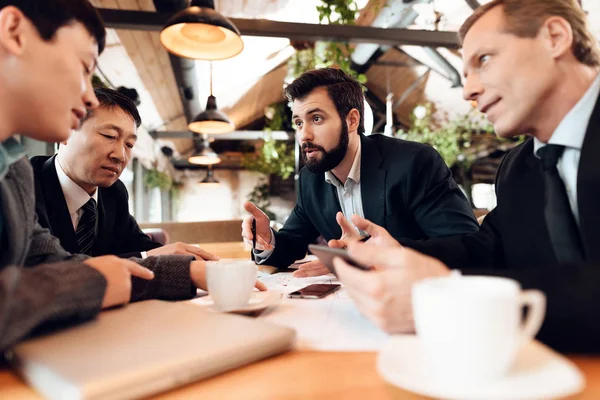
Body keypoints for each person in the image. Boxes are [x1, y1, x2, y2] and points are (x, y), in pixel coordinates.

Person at [333, 0, 600, 354]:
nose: (468, 91)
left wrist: (450, 294)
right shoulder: (518, 167)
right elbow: (487, 249)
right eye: (464, 75)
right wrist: (399, 252)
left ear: (554, 37)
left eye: (483, 60)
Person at [0, 0, 263, 352]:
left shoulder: (11, 169)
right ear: (14, 31)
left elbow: (56, 265)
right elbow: (78, 275)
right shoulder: (28, 177)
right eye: (83, 68)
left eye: (129, 144)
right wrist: (99, 278)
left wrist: (180, 271)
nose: (87, 96)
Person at [241, 68, 479, 277]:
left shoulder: (414, 162)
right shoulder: (310, 180)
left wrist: (373, 252)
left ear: (352, 120)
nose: (304, 135)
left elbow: (464, 244)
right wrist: (266, 238)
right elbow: (291, 244)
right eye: (299, 123)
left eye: (316, 118)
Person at [31, 87, 216, 261]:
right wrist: (147, 257)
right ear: (67, 132)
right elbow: (46, 266)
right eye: (110, 136)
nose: (120, 155)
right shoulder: (25, 185)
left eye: (129, 145)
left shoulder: (114, 193)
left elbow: (138, 245)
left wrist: (180, 256)